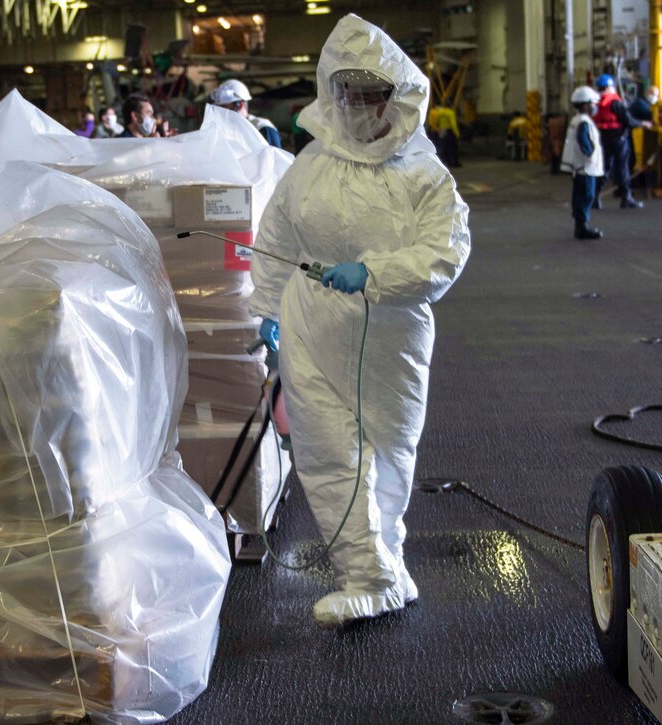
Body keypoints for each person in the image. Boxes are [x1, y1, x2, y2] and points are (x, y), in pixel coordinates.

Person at [250, 14, 470, 628]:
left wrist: (372, 275)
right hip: (311, 324)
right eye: (345, 95)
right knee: (327, 451)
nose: (356, 108)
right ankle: (365, 576)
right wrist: (268, 310)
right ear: (331, 96)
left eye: (369, 95)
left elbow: (444, 255)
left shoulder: (426, 178)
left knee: (390, 448)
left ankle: (385, 562)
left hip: (391, 330)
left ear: (394, 98)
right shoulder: (309, 169)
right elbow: (275, 239)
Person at [593, 74, 652, 209]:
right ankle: (626, 197)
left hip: (604, 138)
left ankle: (595, 197)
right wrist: (643, 123)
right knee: (623, 168)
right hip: (619, 139)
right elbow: (628, 120)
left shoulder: (598, 103)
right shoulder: (615, 102)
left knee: (605, 168)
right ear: (608, 87)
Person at [560, 87, 605, 240]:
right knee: (586, 195)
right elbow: (584, 142)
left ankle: (580, 226)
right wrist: (590, 154)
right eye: (593, 103)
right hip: (585, 167)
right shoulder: (584, 122)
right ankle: (582, 227)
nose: (595, 106)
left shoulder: (577, 119)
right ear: (585, 105)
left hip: (580, 166)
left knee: (581, 195)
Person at [208, 79, 282, 148]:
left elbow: (277, 159)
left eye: (225, 107)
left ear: (240, 105)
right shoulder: (221, 131)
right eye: (220, 108)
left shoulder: (263, 128)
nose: (223, 113)